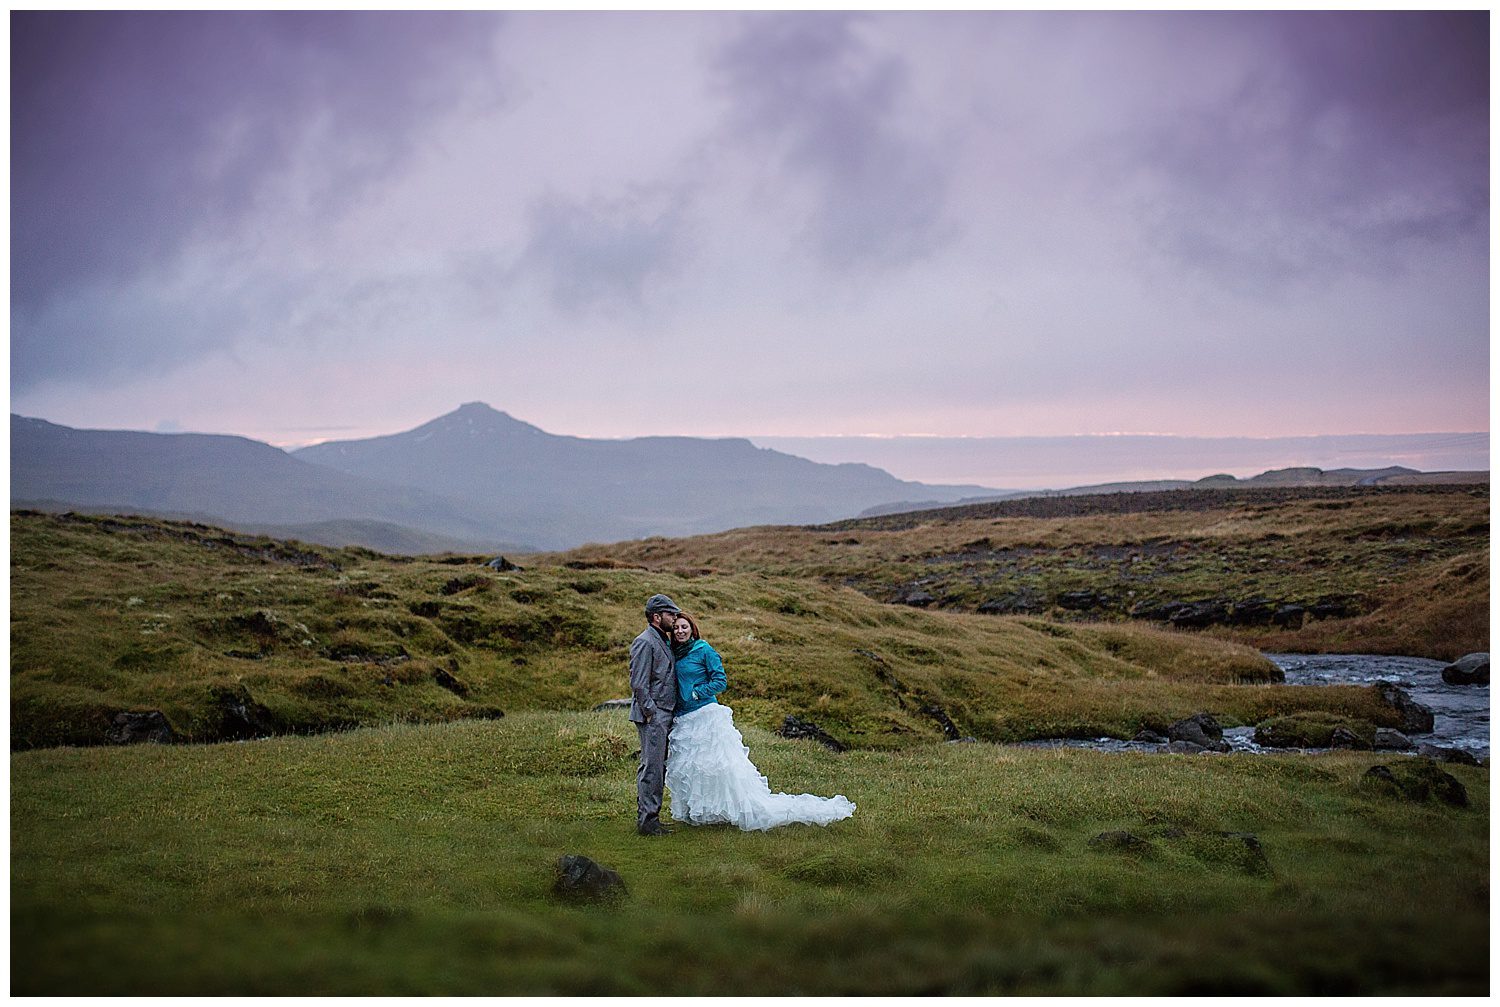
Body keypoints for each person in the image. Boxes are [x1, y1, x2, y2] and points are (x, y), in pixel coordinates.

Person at [664, 612, 855, 832]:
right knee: (694, 767)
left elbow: (720, 680)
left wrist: (697, 693)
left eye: (684, 627)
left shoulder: (703, 649)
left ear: (692, 628)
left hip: (705, 714)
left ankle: (733, 808)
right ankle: (703, 810)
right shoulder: (674, 653)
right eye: (676, 628)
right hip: (684, 717)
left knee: (716, 766)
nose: (680, 631)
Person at [629, 593, 681, 836]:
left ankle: (651, 818)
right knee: (652, 768)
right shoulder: (645, 641)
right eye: (671, 614)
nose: (675, 618)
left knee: (656, 767)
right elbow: (639, 684)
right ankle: (648, 822)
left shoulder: (662, 639)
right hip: (653, 715)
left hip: (663, 713)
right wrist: (652, 713)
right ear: (657, 617)